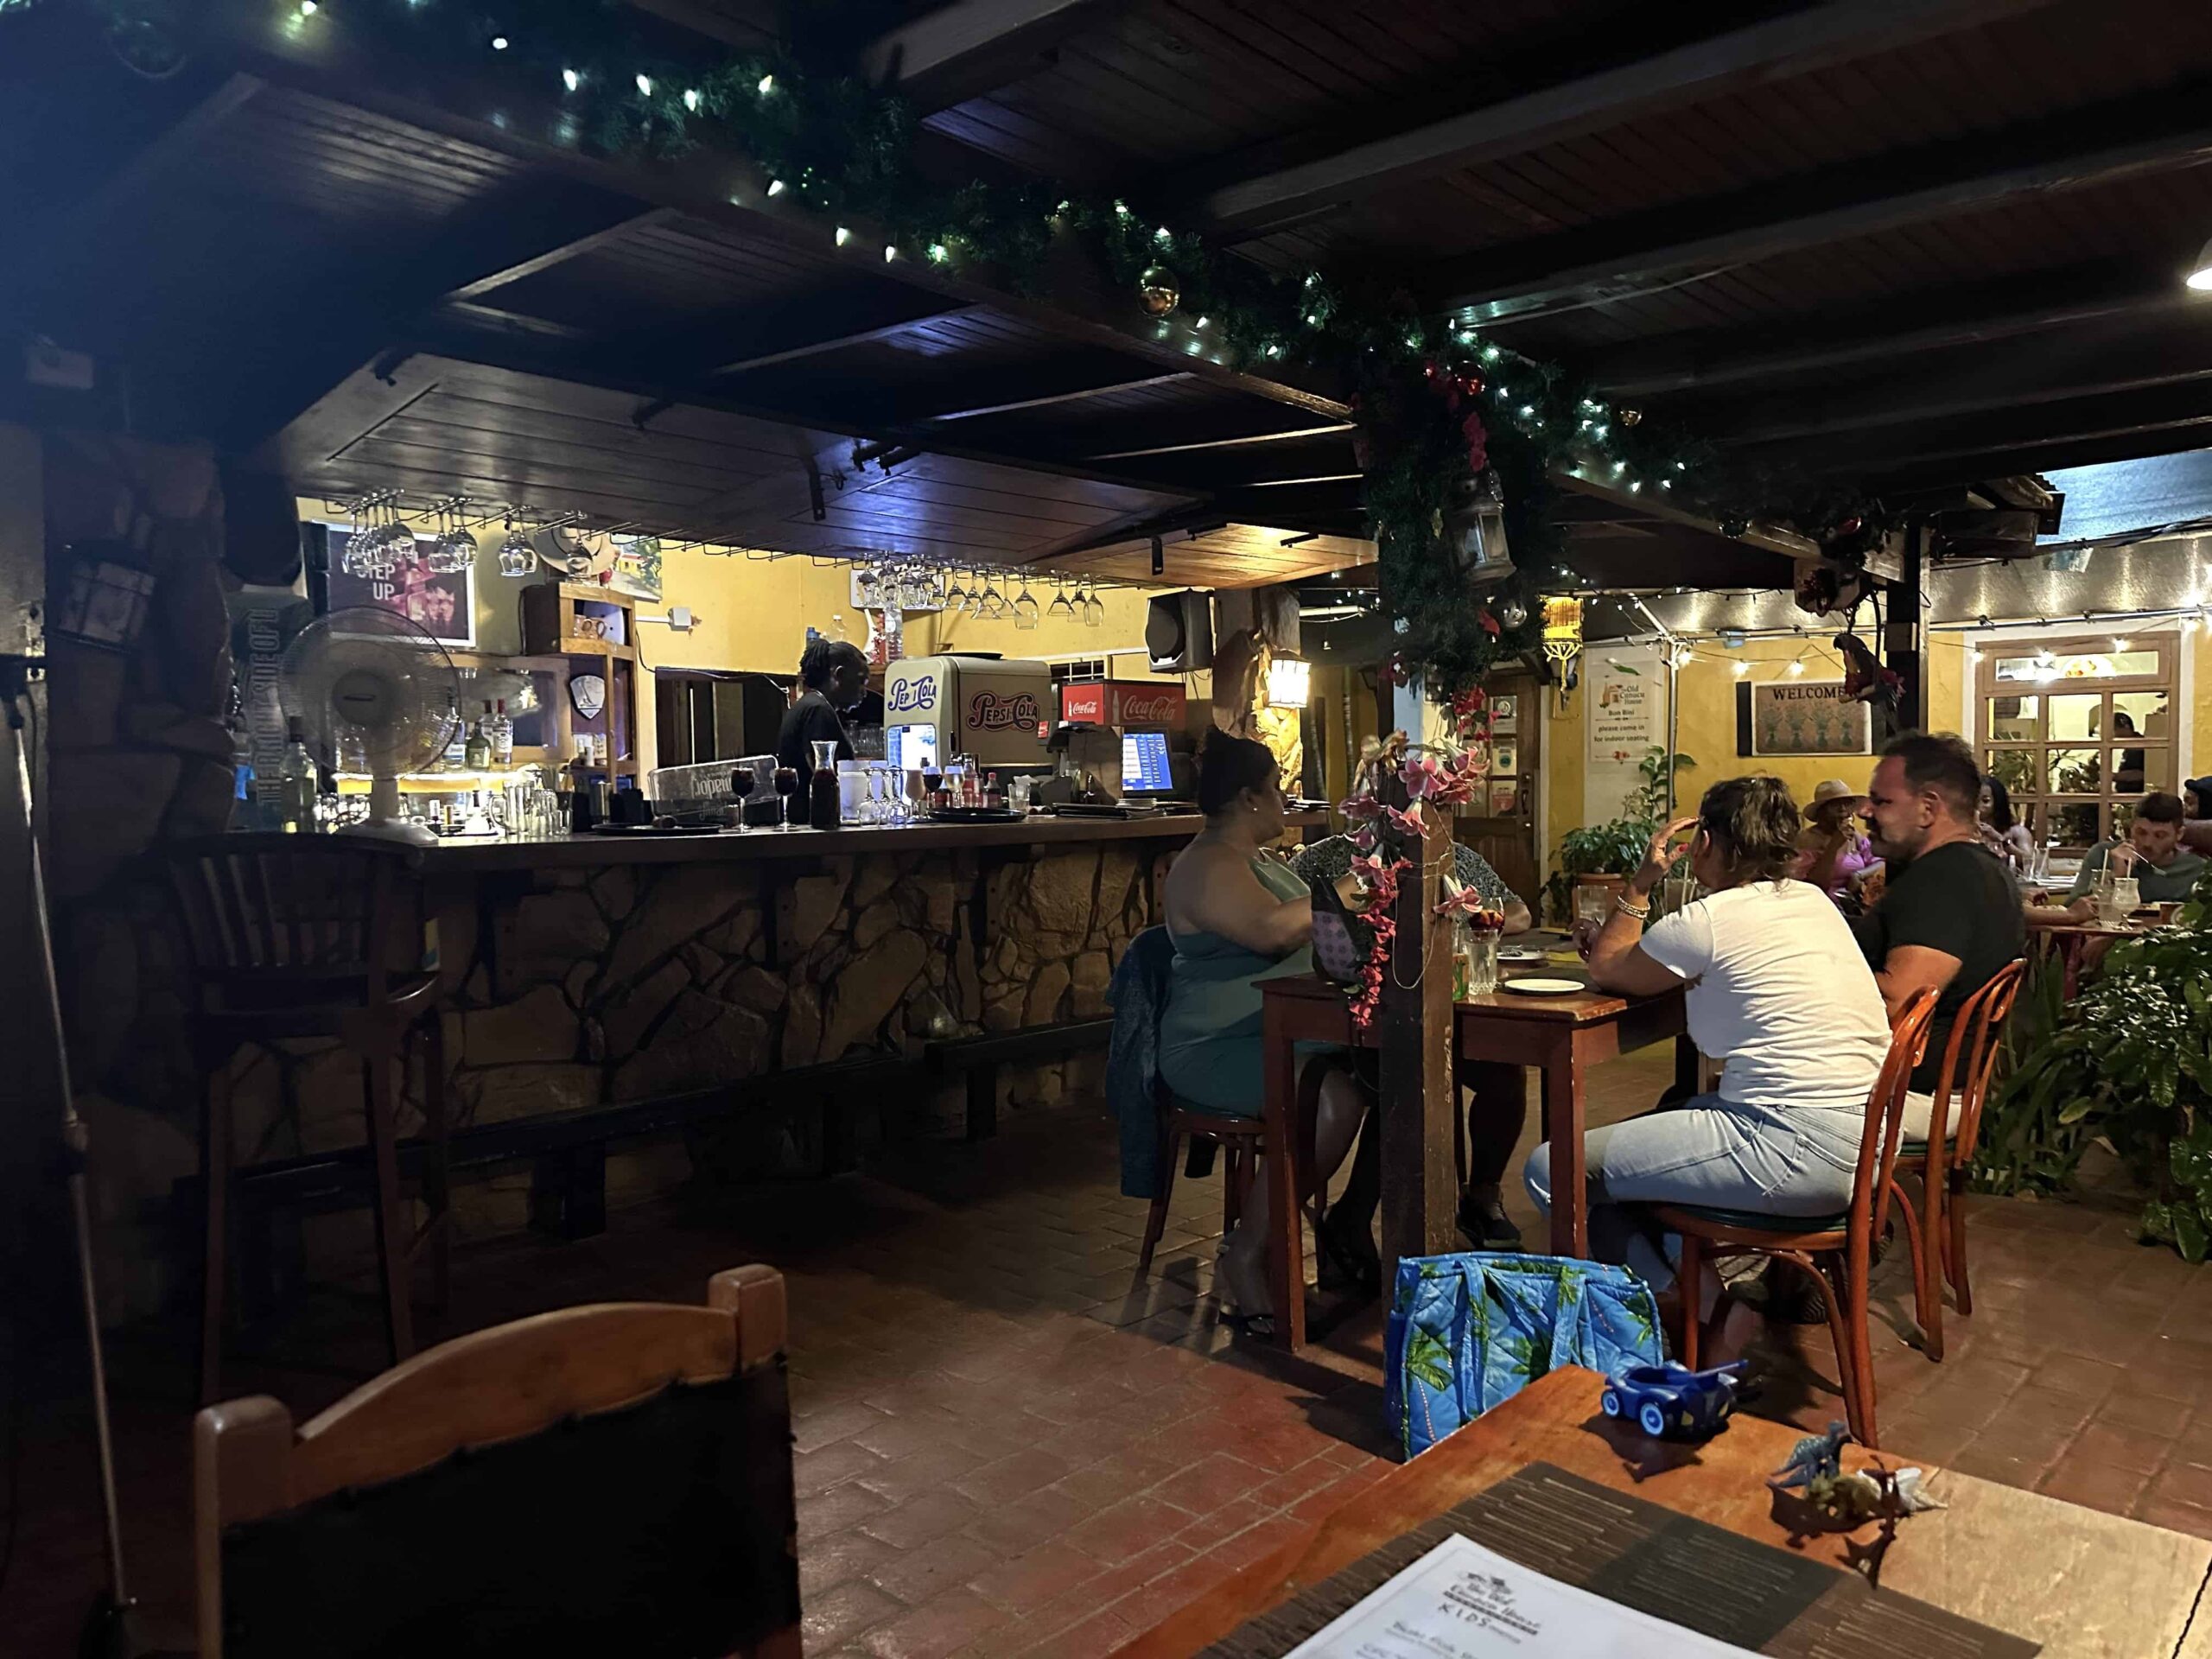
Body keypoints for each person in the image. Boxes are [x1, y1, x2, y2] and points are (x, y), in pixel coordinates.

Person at [1527, 776, 1893, 1363]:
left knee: (1553, 1168)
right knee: (1663, 1129)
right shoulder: (1814, 903)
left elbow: (1612, 972)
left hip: (1785, 1147)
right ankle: (1712, 1307)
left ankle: (1684, 1306)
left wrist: (1643, 882)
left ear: (1706, 843)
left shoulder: (1707, 919)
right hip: (1864, 1149)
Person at [1159, 733, 1367, 1333]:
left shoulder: (1261, 860)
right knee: (1332, 1100)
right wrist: (1349, 888)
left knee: (1390, 1079)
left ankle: (1347, 1232)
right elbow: (1272, 931)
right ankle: (1248, 1253)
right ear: (1250, 797)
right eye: (1278, 788)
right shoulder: (1204, 866)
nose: (1285, 799)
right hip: (1216, 1045)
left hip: (1282, 1031)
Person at [1287, 836, 1535, 1262]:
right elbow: (1293, 932)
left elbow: (1518, 912)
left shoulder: (1452, 853)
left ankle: (1481, 1199)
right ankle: (1354, 1217)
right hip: (1357, 1014)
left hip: (1440, 1007)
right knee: (1404, 1076)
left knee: (1503, 1072)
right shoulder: (1322, 859)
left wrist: (1470, 918)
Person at [1851, 732, 2025, 1137]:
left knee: (1700, 1102)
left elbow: (1902, 1002)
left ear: (1928, 808)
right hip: (1937, 1088)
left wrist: (1810, 976)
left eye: (1881, 800)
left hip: (1905, 1094)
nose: (1865, 810)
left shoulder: (1943, 879)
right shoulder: (1982, 869)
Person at [2065, 790, 2205, 906]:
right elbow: (2071, 908)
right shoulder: (2103, 854)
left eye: (2160, 836)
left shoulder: (2197, 869)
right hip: (2110, 935)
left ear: (2179, 834)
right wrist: (2115, 877)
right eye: (2141, 833)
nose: (2147, 843)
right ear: (2131, 827)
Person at [776, 638, 868, 798]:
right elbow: (823, 778)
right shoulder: (818, 710)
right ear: (839, 675)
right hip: (812, 818)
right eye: (860, 681)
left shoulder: (809, 704)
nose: (864, 692)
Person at [1795, 779, 1874, 899]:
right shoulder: (1807, 840)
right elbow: (1814, 886)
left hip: (1853, 903)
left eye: (1847, 803)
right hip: (1824, 904)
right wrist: (1834, 845)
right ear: (1822, 811)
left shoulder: (1854, 837)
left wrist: (1859, 875)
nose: (1842, 809)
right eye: (1835, 804)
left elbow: (1879, 863)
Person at [1977, 774, 2036, 870]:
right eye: (1974, 800)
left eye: (1985, 801)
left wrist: (2001, 840)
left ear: (1998, 802)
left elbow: (2031, 862)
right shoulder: (1964, 830)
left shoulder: (2017, 832)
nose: (1979, 806)